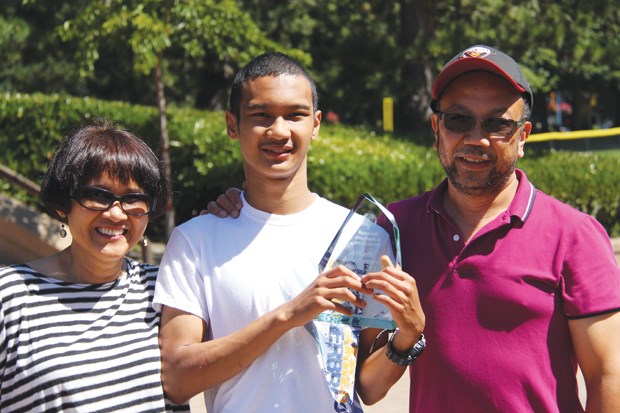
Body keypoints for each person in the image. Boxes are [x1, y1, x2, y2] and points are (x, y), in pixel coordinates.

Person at [206, 45, 620, 412]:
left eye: (497, 124)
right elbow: (365, 385)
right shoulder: (390, 228)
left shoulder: (574, 234)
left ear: (523, 135)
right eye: (459, 120)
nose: (476, 138)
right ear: (436, 128)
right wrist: (243, 202)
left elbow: (608, 376)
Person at [153, 52, 426, 413]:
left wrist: (409, 336)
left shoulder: (363, 236)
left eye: (294, 115)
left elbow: (367, 388)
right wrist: (288, 315)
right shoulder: (195, 240)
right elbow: (175, 379)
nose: (279, 130)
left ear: (315, 124)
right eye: (261, 115)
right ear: (232, 125)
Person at [0, 120, 189, 412]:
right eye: (97, 196)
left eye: (134, 198)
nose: (116, 213)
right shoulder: (10, 295)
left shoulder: (165, 289)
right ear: (64, 204)